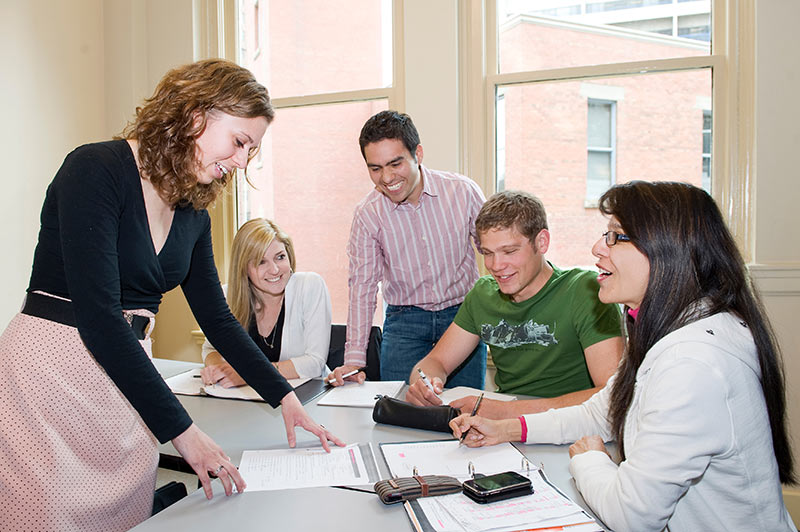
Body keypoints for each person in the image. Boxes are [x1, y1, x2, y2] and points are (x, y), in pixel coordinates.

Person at [0, 59, 343, 532]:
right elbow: (99, 317)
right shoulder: (95, 169)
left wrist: (285, 399)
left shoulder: (192, 214)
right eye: (240, 142)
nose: (242, 162)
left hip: (126, 377)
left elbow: (219, 320)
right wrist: (184, 433)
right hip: (52, 372)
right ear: (196, 113)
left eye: (252, 151)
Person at [450, 181, 797, 531]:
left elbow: (633, 515)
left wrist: (589, 460)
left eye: (615, 236)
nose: (598, 248)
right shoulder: (673, 329)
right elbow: (599, 411)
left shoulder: (692, 364)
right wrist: (505, 429)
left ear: (666, 251)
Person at [406, 190, 623, 417]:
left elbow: (610, 395)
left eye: (509, 251)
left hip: (570, 428)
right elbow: (436, 361)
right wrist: (424, 384)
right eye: (487, 253)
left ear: (541, 242)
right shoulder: (482, 294)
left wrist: (508, 412)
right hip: (504, 429)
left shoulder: (585, 290)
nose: (496, 265)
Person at [327, 110, 487, 387]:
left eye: (395, 164)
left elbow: (496, 256)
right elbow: (362, 286)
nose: (387, 177)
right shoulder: (368, 214)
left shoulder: (463, 192)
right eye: (375, 168)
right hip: (405, 323)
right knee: (401, 416)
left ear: (418, 154)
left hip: (463, 318)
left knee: (466, 415)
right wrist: (354, 360)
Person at [200, 218, 332, 384]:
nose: (275, 270)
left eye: (280, 257)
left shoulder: (309, 286)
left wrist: (248, 375)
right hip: (249, 401)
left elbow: (314, 363)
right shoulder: (227, 296)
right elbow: (210, 348)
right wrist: (218, 370)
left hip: (310, 398)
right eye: (261, 262)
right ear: (243, 268)